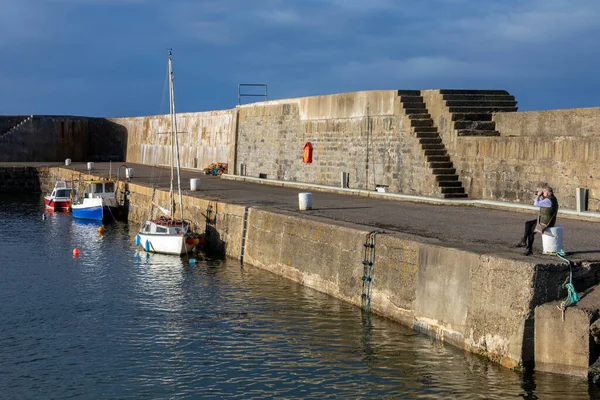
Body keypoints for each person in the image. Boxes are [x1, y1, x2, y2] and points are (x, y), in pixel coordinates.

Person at [516, 186, 559, 256]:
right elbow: (543, 203)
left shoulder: (548, 201)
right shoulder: (552, 199)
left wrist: (538, 196)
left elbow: (536, 203)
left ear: (547, 193)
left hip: (545, 223)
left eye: (544, 192)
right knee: (528, 224)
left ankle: (528, 249)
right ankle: (523, 240)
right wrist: (542, 197)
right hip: (544, 219)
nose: (543, 193)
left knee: (530, 232)